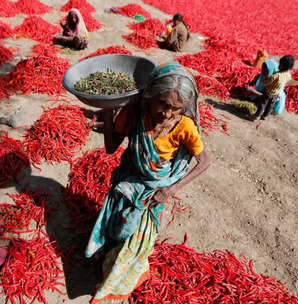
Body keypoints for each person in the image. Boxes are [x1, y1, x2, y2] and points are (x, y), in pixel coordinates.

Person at [85, 62, 211, 304]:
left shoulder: (184, 126)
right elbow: (111, 148)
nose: (167, 114)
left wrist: (170, 189)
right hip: (128, 180)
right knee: (118, 229)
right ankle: (111, 264)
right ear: (149, 94)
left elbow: (205, 161)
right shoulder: (134, 112)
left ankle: (113, 286)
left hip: (153, 192)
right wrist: (110, 110)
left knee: (136, 240)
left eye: (176, 108)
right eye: (163, 104)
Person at [246, 55, 295, 120]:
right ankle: (265, 116)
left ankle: (256, 116)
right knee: (269, 106)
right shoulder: (286, 75)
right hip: (275, 95)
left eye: (264, 69)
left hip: (269, 95)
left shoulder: (275, 76)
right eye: (262, 68)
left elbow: (265, 88)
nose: (262, 71)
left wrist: (252, 90)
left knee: (262, 105)